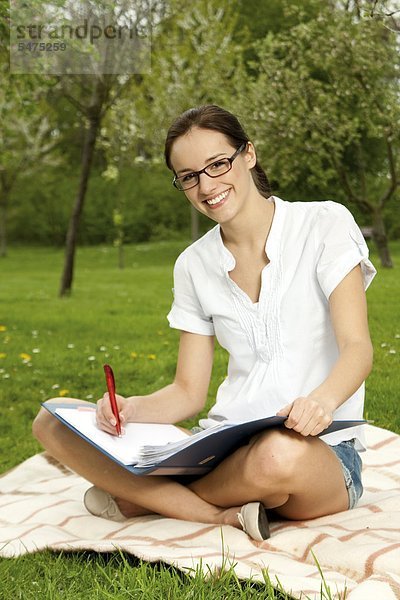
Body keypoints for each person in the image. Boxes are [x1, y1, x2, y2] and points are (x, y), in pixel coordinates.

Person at [33, 105, 376, 541]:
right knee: (50, 423)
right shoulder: (193, 264)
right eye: (190, 176)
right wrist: (130, 408)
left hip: (318, 455)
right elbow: (187, 392)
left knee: (275, 456)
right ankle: (217, 515)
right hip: (219, 449)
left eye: (218, 164)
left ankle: (143, 498)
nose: (207, 186)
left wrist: (322, 402)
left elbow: (357, 349)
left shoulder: (325, 223)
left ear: (248, 154)